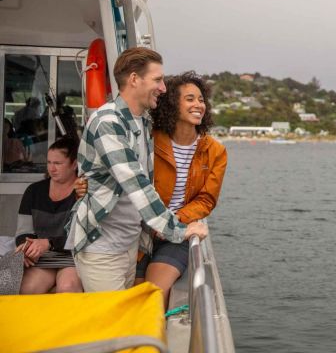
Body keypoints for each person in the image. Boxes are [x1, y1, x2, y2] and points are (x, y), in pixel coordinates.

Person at [77, 72, 228, 308]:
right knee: (132, 294)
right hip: (139, 230)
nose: (198, 105)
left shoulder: (215, 151)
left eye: (201, 100)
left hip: (176, 231)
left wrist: (176, 219)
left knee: (154, 292)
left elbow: (207, 199)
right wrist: (86, 185)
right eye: (190, 99)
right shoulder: (148, 139)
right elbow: (122, 175)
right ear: (171, 104)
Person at [65, 47, 207, 292]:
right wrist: (179, 230)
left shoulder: (143, 121)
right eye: (157, 80)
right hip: (102, 247)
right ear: (134, 79)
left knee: (125, 322)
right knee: (111, 327)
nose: (162, 88)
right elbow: (136, 183)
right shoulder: (108, 122)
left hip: (130, 243)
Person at [15, 136, 83, 294]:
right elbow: (22, 231)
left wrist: (50, 242)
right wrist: (27, 248)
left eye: (58, 163)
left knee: (68, 287)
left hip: (72, 257)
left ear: (74, 164)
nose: (51, 168)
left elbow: (83, 235)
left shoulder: (82, 191)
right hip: (42, 257)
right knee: (28, 289)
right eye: (49, 162)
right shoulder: (34, 191)